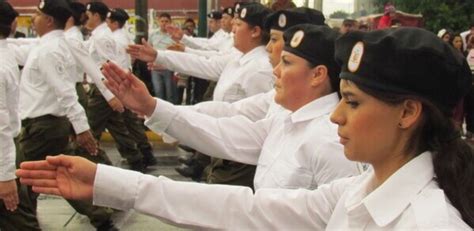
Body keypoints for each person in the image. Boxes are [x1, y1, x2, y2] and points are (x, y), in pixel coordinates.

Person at [17, 27, 474, 230]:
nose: (337, 115)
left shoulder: (430, 223)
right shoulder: (359, 193)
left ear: (408, 113)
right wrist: (106, 181)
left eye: (352, 103)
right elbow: (247, 208)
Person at [85, 2, 148, 172]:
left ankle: (99, 167)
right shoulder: (99, 35)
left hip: (103, 89)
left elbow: (108, 66)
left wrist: (109, 94)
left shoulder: (102, 37)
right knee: (119, 127)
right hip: (106, 88)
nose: (85, 18)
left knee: (89, 131)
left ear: (96, 16)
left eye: (88, 15)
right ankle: (136, 160)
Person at [0, 2, 41, 230]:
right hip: (7, 151)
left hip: (3, 154)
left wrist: (5, 176)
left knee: (19, 221)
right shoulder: (7, 51)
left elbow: (1, 127)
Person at [148, 12, 178, 102]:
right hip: (155, 68)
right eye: (162, 21)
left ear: (170, 22)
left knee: (170, 94)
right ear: (158, 22)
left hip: (168, 68)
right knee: (158, 92)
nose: (164, 23)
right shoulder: (153, 34)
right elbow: (149, 49)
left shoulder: (173, 35)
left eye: (166, 21)